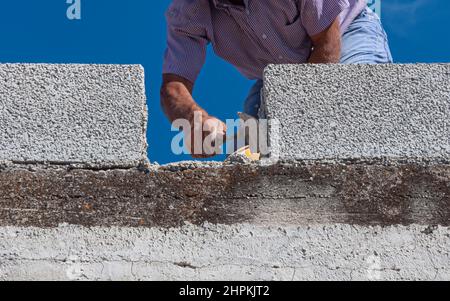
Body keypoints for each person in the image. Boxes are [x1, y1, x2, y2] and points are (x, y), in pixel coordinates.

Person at [160, 0, 392, 158]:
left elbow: (327, 44)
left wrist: (294, 117)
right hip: (279, 75)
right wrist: (194, 121)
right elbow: (173, 87)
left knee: (358, 104)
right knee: (250, 158)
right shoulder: (188, 10)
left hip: (345, 33)